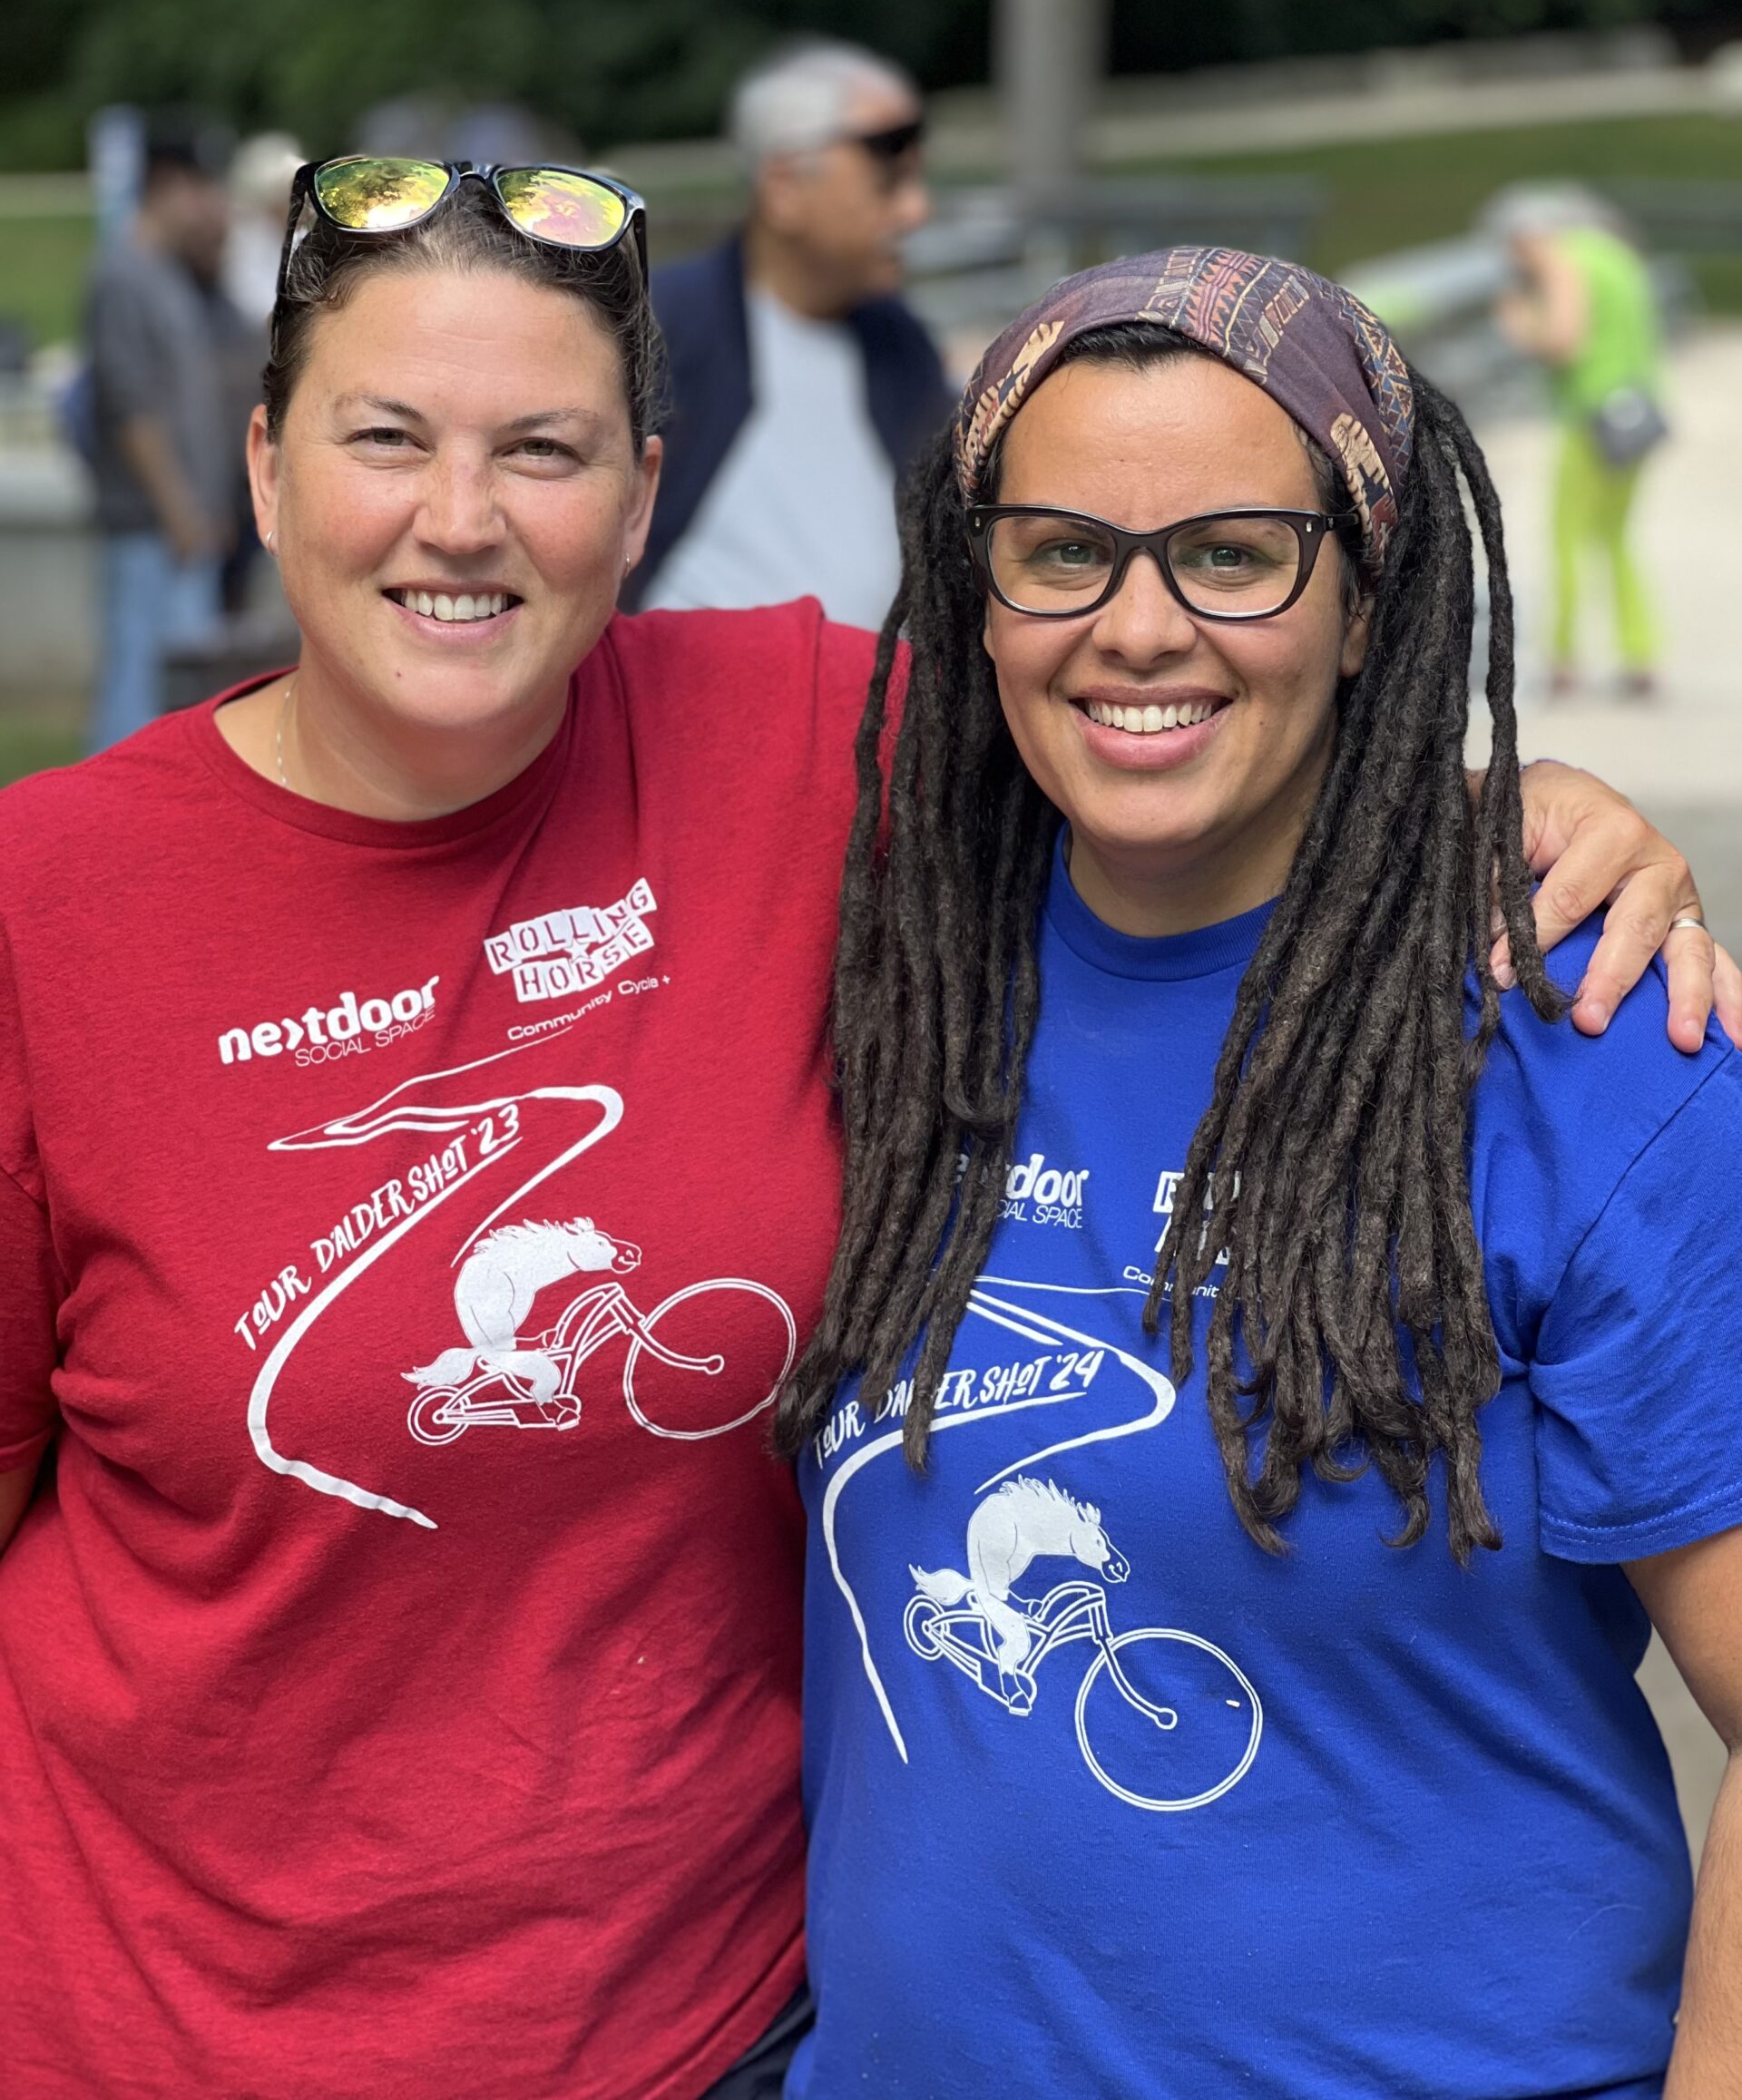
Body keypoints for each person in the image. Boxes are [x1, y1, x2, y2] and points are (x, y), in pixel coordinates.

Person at [0, 173, 1729, 2100]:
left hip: (710, 2041)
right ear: (261, 460)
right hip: (169, 2035)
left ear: (644, 495)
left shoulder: (801, 743)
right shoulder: (48, 908)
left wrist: (1513, 802)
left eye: (544, 448)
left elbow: (1180, 709)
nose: (458, 516)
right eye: (383, 436)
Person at [779, 249, 1742, 2099]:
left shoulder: (1592, 1050)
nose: (1139, 627)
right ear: (981, 593)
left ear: (1369, 597)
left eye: (1232, 552)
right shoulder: (897, 994)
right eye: (1064, 551)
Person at [628, 39, 950, 629]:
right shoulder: (658, 329)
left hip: (886, 708)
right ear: (783, 185)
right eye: (888, 180)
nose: (916, 212)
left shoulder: (901, 342)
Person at [81, 132, 237, 750]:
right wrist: (178, 507)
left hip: (183, 521)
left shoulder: (168, 275)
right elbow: (131, 405)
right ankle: (99, 821)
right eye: (200, 190)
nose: (209, 205)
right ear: (166, 187)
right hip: (151, 522)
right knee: (138, 683)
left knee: (177, 684)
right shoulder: (121, 275)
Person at [1491, 187, 1666, 697]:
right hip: (1638, 413)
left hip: (1590, 415)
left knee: (1566, 537)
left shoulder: (1564, 261)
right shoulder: (1618, 257)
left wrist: (1521, 325)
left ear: (1532, 234)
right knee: (1616, 538)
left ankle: (1564, 660)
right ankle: (1641, 653)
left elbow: (1565, 340)